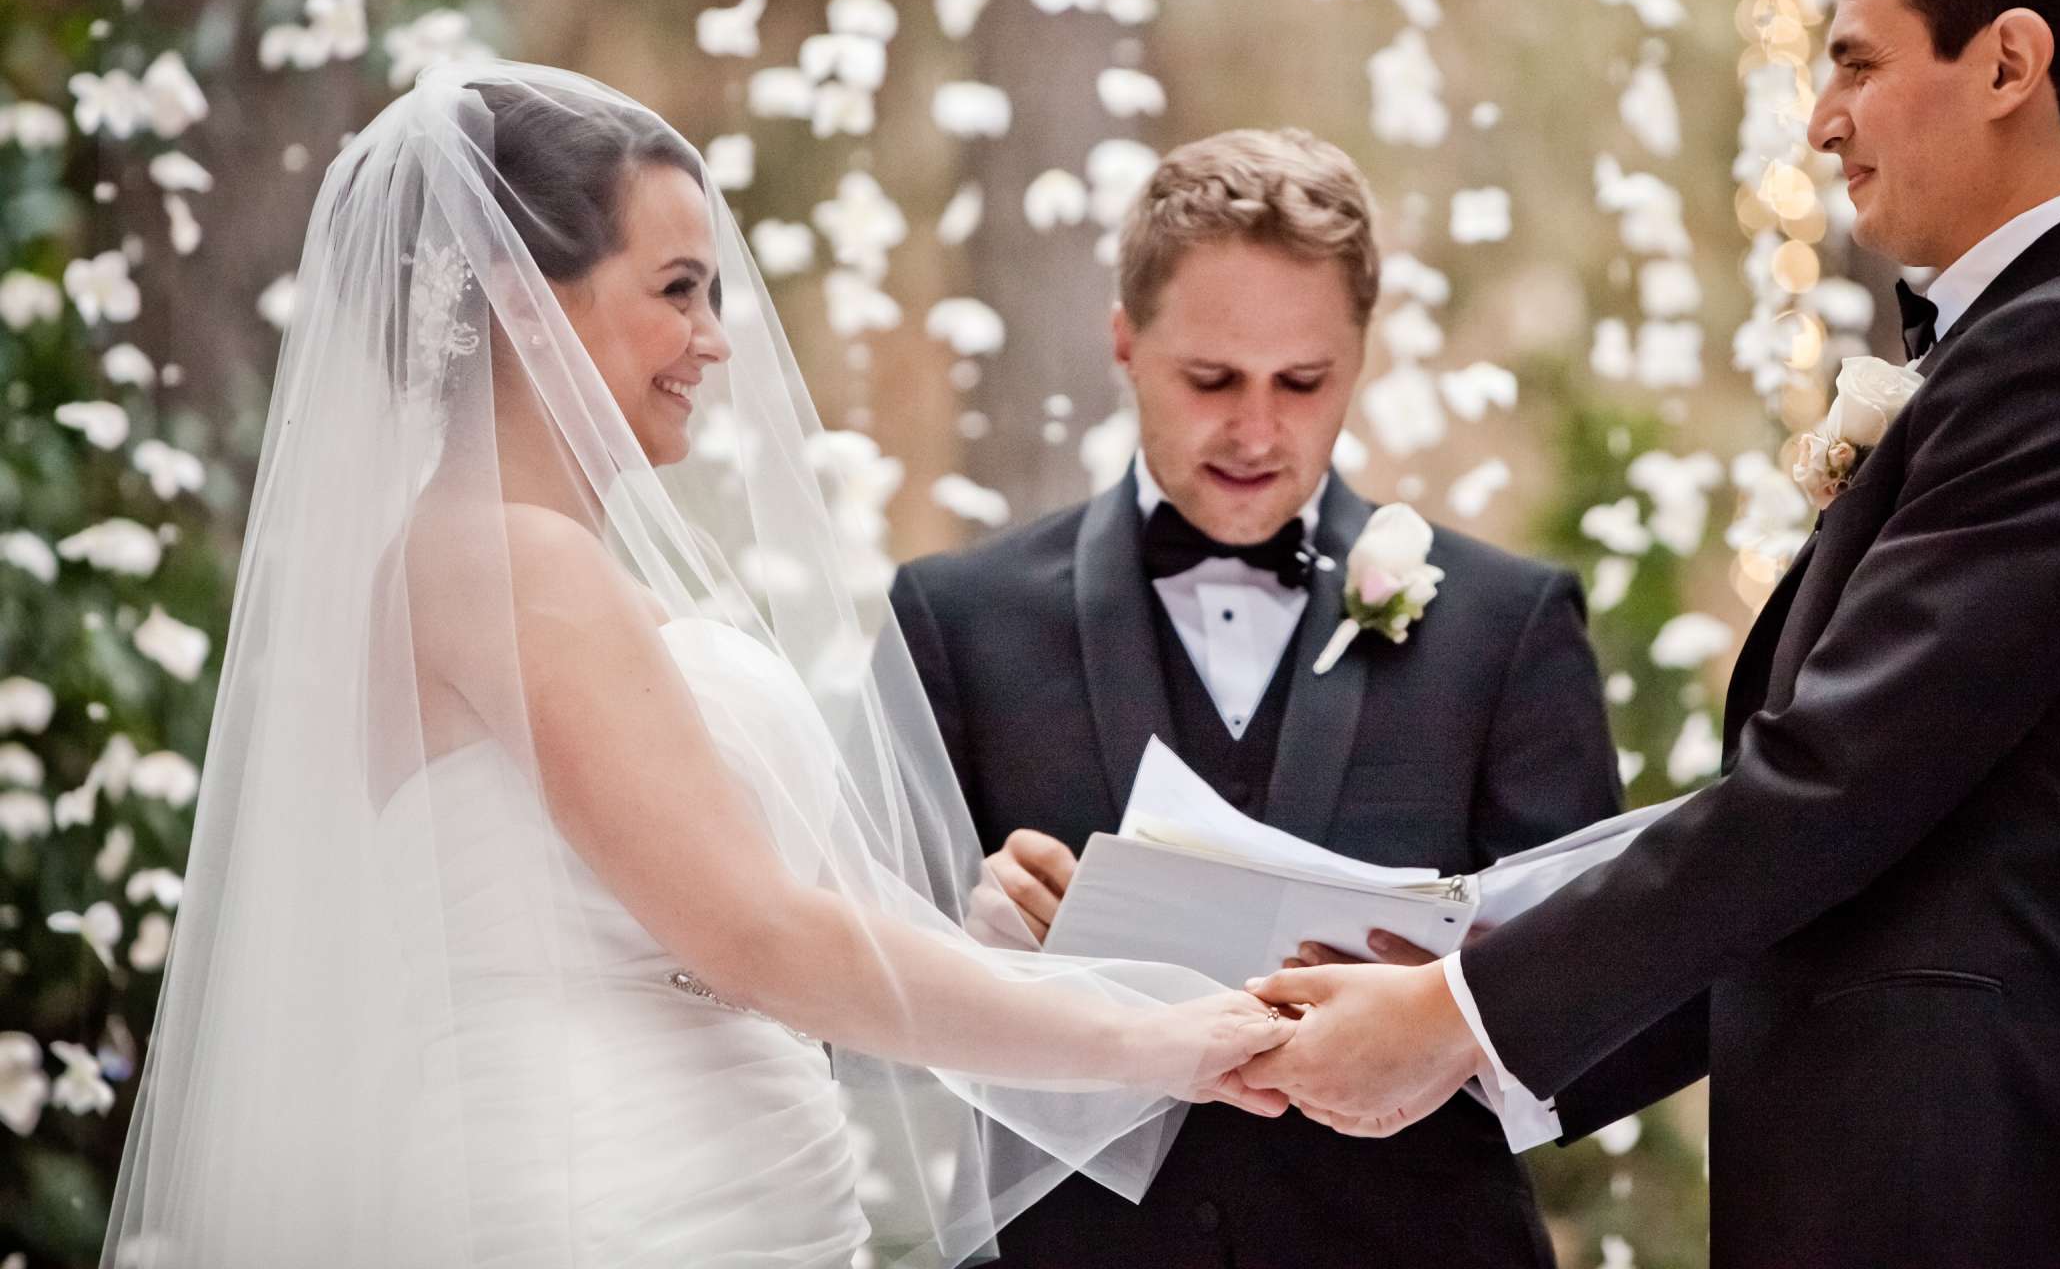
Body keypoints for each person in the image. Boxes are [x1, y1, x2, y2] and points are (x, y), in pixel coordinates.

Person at [1243, 0, 2060, 1269]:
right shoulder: (2049, 343)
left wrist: (1463, 1021)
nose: (1824, 119)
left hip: (1985, 1190)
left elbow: (1829, 792)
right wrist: (1467, 1014)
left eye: (1857, 60)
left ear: (2010, 63)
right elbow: (1857, 843)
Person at [103, 64, 1291, 1269]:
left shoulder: (565, 567)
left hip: (745, 1188)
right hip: (608, 1196)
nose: (716, 342)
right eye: (679, 291)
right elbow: (759, 936)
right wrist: (1153, 1038)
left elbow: (799, 917)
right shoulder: (500, 558)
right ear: (521, 306)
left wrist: (990, 938)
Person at [890, 127, 1622, 1268]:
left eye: (1303, 381)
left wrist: (1459, 1012)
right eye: (1211, 379)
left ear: (1361, 357)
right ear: (1126, 342)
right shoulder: (955, 617)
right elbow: (843, 992)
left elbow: (1607, 1010)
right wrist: (966, 940)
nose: (1256, 430)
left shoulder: (1506, 625)